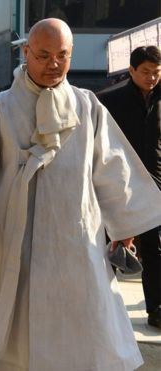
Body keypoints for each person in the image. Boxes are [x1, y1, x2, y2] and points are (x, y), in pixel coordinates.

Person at [0, 18, 161, 370]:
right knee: (16, 332)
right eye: (43, 55)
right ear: (27, 52)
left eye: (62, 55)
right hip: (11, 231)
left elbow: (111, 165)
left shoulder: (87, 105)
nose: (53, 64)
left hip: (75, 233)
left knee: (83, 321)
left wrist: (126, 222)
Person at [98, 45, 161, 329]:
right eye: (146, 72)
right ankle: (98, 309)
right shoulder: (108, 101)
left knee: (154, 249)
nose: (151, 78)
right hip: (116, 186)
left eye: (157, 73)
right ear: (131, 70)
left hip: (156, 187)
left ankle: (157, 310)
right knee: (107, 248)